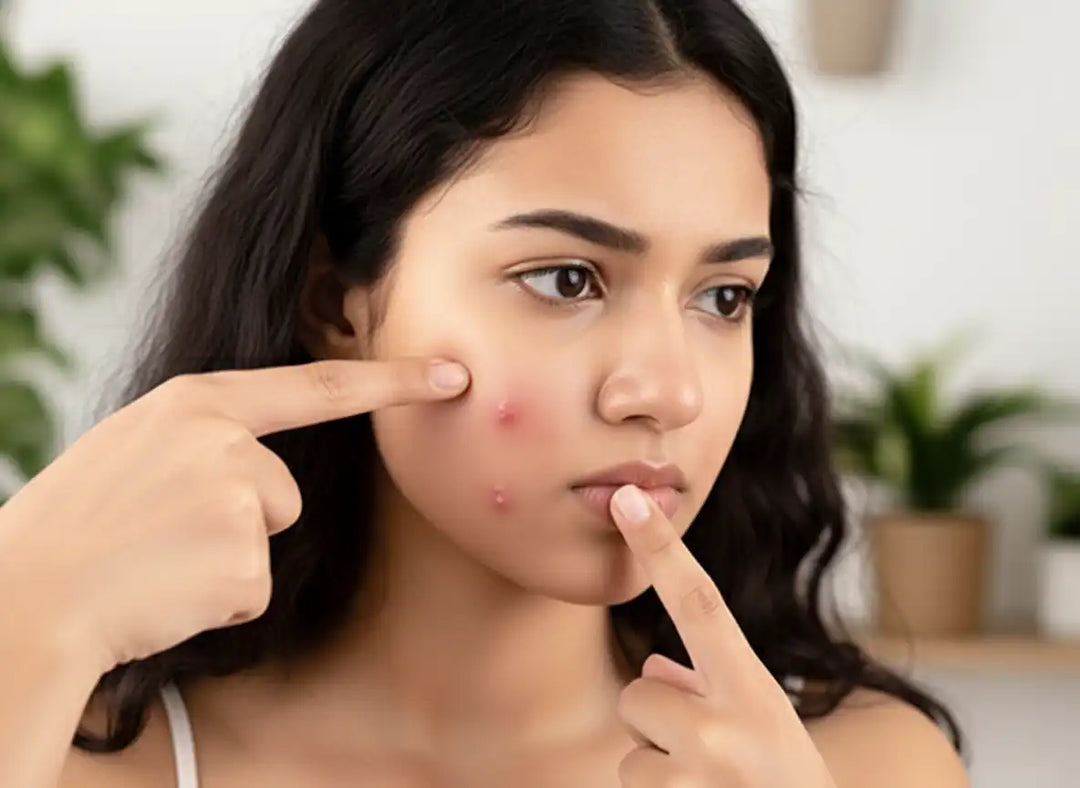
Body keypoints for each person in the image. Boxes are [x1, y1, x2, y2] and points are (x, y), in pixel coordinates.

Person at [0, 0, 971, 785]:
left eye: (723, 296)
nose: (669, 390)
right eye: (567, 279)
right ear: (338, 303)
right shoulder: (80, 757)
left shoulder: (865, 766)